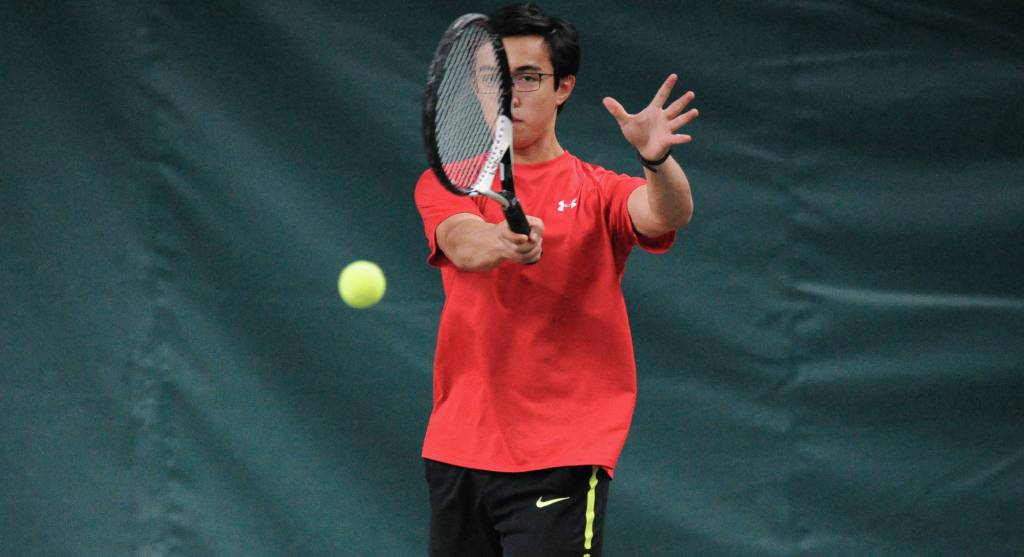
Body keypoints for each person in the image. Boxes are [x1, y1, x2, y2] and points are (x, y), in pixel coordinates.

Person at [414, 3, 698, 555]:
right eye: (492, 77)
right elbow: (459, 241)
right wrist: (501, 242)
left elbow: (665, 215)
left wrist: (658, 161)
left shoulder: (598, 190)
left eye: (527, 77)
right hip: (457, 450)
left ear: (563, 87)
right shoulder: (447, 180)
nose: (508, 92)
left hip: (560, 456)